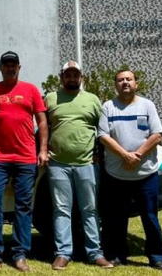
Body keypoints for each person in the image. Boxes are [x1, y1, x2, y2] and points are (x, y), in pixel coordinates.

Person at [0, 51, 48, 273]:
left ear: (19, 67)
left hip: (26, 158)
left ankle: (20, 254)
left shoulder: (31, 90)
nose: (10, 68)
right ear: (0, 68)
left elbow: (42, 122)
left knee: (23, 207)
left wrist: (42, 149)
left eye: (13, 65)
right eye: (6, 65)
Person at [97, 70, 162, 271]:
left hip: (145, 175)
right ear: (115, 85)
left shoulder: (147, 105)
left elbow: (157, 135)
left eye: (129, 79)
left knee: (150, 217)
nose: (125, 83)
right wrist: (124, 156)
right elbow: (103, 136)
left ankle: (156, 257)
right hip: (116, 175)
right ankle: (118, 255)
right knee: (116, 219)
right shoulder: (108, 107)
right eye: (120, 80)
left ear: (136, 83)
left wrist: (136, 155)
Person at [46, 61, 113, 270]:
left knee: (90, 209)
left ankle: (95, 253)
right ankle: (63, 253)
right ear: (61, 77)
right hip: (57, 164)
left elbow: (103, 130)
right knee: (61, 210)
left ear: (81, 77)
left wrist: (99, 155)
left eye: (75, 74)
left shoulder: (92, 100)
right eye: (68, 75)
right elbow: (42, 126)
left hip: (87, 164)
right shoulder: (50, 98)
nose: (72, 78)